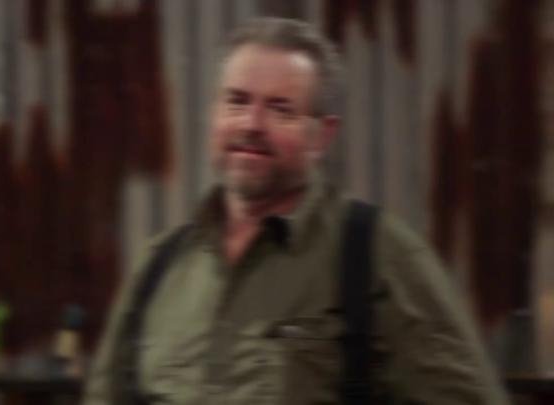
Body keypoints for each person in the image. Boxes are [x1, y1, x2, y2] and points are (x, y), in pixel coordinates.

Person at [82, 17, 510, 404]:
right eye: (237, 101)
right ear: (214, 114)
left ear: (321, 135)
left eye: (280, 109)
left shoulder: (379, 257)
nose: (251, 124)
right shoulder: (160, 267)